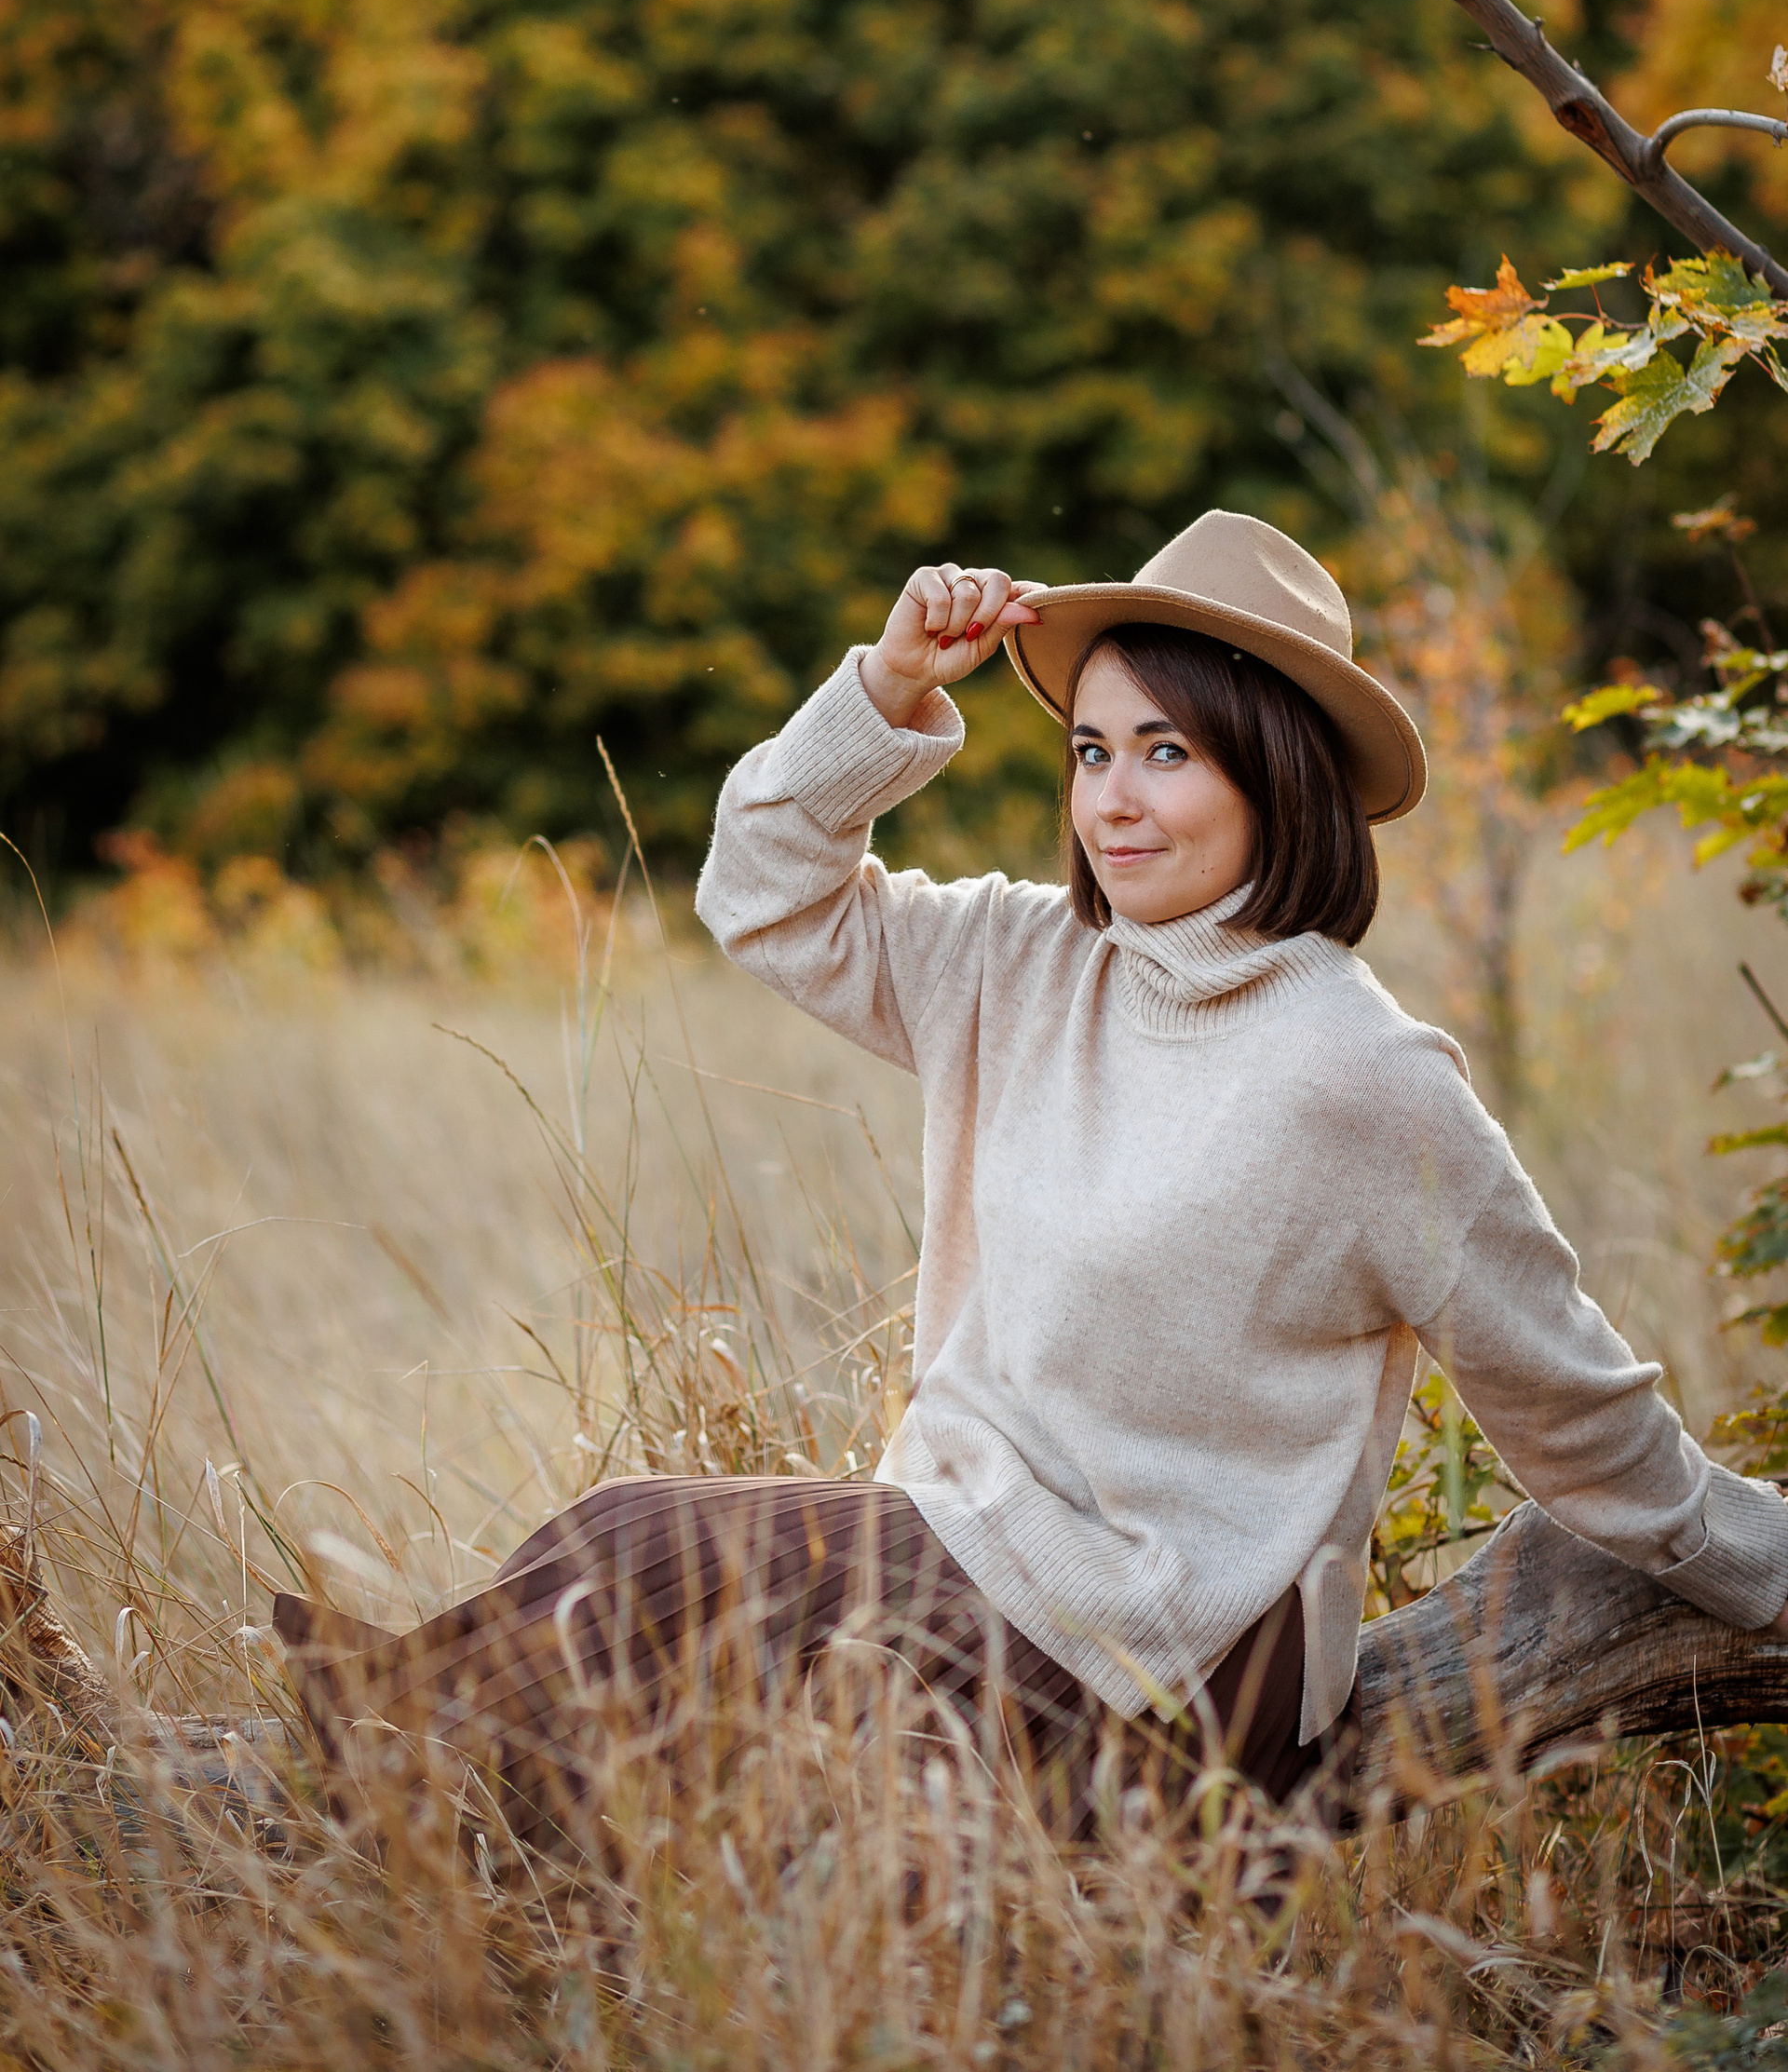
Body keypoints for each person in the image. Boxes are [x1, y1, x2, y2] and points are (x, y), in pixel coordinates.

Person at [272, 511, 1788, 1848]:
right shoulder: (1029, 963)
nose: (1114, 800)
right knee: (657, 1605)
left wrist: (1760, 1564)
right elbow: (761, 895)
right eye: (1092, 751)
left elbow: (1568, 1401)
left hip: (1179, 1667)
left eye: (1168, 754)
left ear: (1278, 772)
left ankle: (401, 1760)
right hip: (973, 1566)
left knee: (645, 1546)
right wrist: (887, 691)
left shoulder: (1366, 1078)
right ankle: (428, 1789)